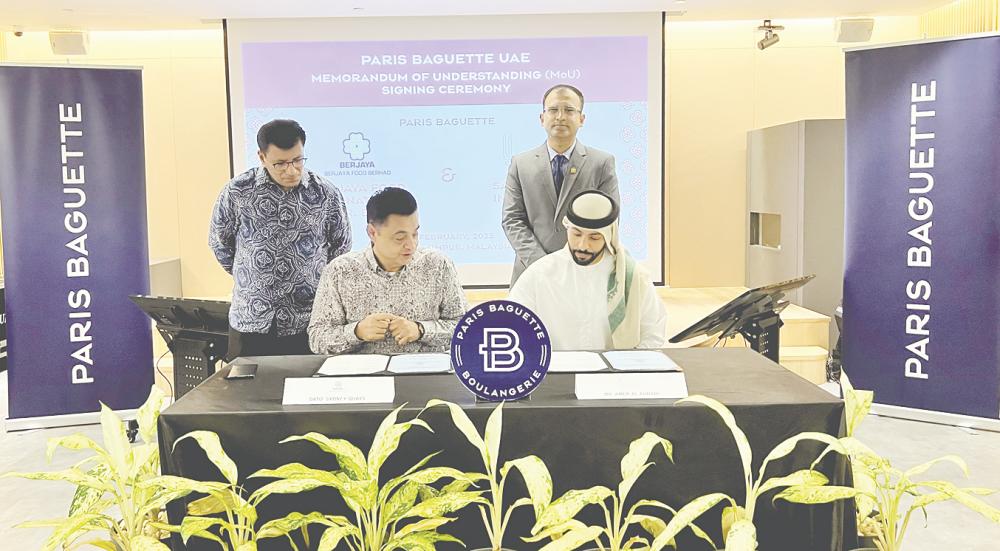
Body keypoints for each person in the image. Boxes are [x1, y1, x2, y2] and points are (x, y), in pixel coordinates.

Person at [209, 119, 352, 360]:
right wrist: (253, 277)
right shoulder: (237, 192)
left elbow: (341, 246)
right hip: (251, 322)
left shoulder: (325, 194)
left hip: (307, 321)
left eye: (297, 160)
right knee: (246, 395)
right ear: (262, 157)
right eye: (280, 164)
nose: (291, 170)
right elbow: (220, 242)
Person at [308, 187, 467, 355]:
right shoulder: (340, 271)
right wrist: (356, 332)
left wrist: (421, 330)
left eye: (415, 234)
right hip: (364, 377)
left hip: (424, 374)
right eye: (400, 237)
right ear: (372, 232)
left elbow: (466, 329)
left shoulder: (438, 265)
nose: (411, 245)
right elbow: (317, 339)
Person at [508, 190, 666, 350]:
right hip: (556, 371)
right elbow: (513, 326)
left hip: (615, 373)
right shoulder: (539, 274)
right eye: (576, 234)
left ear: (608, 236)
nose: (583, 245)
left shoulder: (632, 277)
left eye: (594, 238)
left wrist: (628, 369)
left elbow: (653, 333)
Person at [502, 84, 621, 284]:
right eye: (553, 110)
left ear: (581, 119)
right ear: (542, 118)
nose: (560, 116)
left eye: (569, 110)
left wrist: (574, 258)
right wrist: (543, 263)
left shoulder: (602, 162)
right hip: (531, 273)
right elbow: (512, 219)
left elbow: (609, 221)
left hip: (584, 270)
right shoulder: (520, 163)